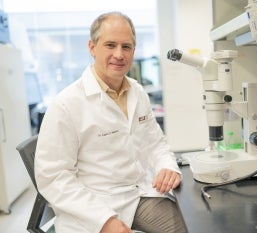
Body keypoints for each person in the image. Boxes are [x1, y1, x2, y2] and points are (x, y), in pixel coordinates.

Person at [34, 11, 187, 233]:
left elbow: (155, 143)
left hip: (138, 196)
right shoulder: (67, 104)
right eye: (110, 45)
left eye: (126, 47)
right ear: (92, 47)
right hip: (92, 207)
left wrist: (167, 167)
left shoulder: (137, 92)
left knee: (190, 226)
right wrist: (105, 220)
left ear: (134, 51)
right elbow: (53, 177)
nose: (119, 54)